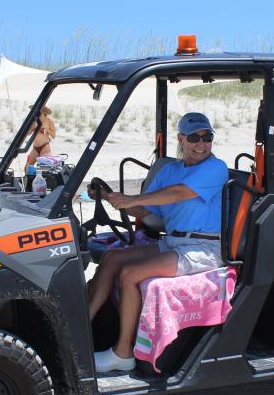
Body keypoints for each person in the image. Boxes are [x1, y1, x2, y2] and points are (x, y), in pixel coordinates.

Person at [86, 112, 228, 373]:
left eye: (207, 137)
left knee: (130, 274)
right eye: (194, 137)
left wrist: (133, 199)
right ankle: (82, 329)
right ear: (181, 139)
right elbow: (152, 215)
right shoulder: (170, 170)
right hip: (174, 242)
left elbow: (178, 194)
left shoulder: (215, 168)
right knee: (112, 258)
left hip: (204, 248)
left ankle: (123, 352)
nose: (201, 143)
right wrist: (112, 198)